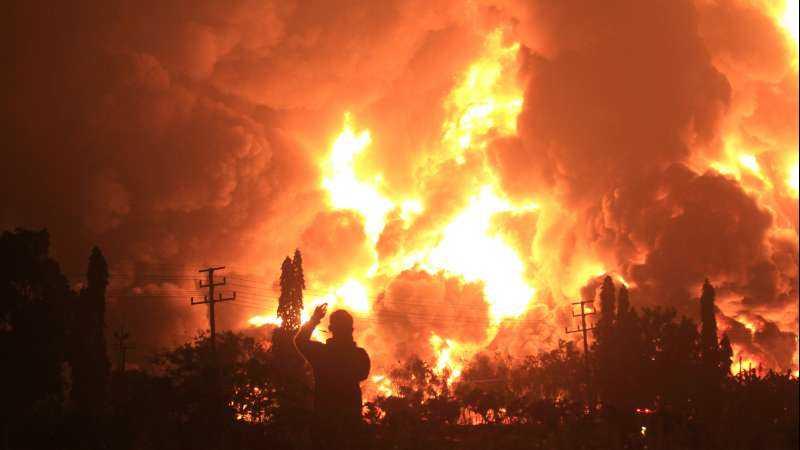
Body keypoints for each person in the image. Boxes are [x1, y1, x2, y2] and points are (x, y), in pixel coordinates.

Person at [295, 304, 370, 448]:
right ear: (351, 329)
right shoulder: (360, 356)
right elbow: (363, 374)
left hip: (324, 424)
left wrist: (314, 319)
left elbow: (300, 341)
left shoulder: (321, 353)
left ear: (331, 329)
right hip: (350, 426)